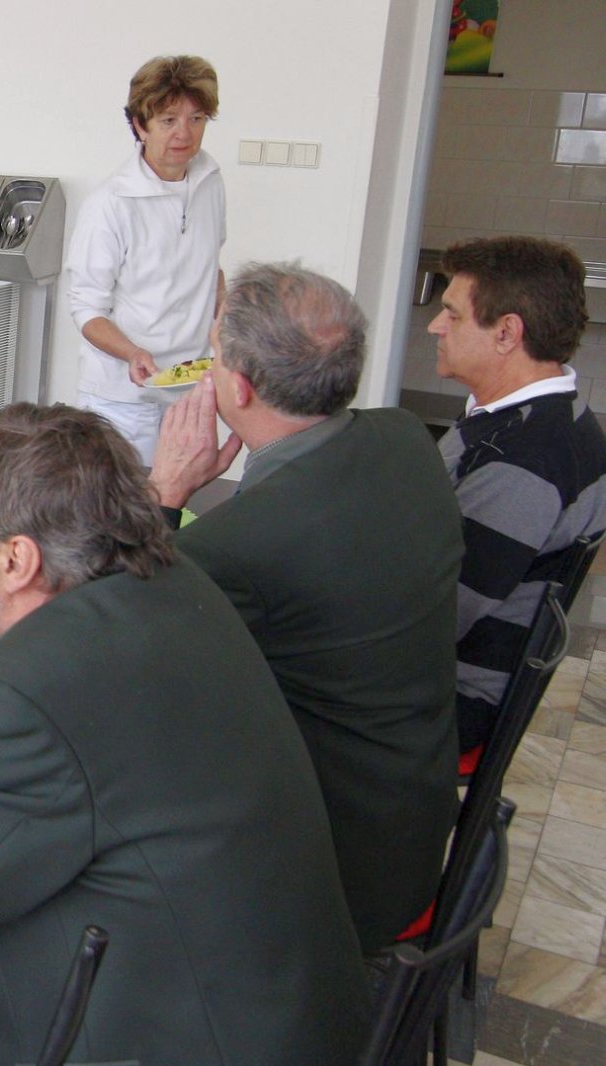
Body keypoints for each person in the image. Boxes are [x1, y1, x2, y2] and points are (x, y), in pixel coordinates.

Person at [0, 404, 368, 1066]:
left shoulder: (30, 689)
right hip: (275, 1008)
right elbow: (86, 741)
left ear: (16, 559)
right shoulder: (170, 582)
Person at [149, 262, 461, 953]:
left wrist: (165, 494)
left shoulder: (237, 546)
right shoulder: (406, 437)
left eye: (214, 352)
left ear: (238, 386)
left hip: (334, 867)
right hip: (412, 811)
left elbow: (126, 645)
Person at [429, 236, 606, 756]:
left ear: (507, 332)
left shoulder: (526, 457)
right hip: (445, 675)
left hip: (448, 701)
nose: (435, 326)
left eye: (452, 314)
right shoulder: (534, 418)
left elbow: (436, 615)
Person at [64, 54, 227, 464]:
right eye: (169, 120)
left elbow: (211, 268)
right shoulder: (110, 204)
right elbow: (86, 308)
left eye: (196, 119)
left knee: (177, 493)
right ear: (140, 125)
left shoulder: (210, 180)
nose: (184, 133)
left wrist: (226, 327)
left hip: (190, 386)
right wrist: (132, 353)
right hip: (122, 397)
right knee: (123, 499)